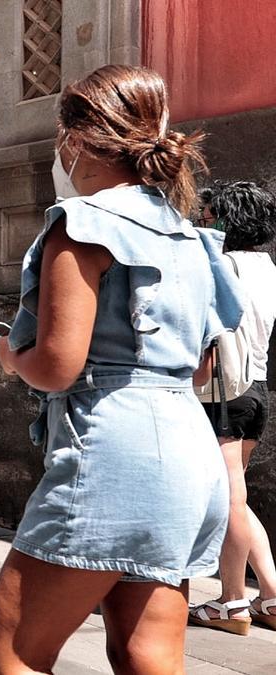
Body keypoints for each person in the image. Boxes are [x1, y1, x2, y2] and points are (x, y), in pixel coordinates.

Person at [0, 65, 245, 673]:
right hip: (189, 450)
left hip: (114, 445)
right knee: (145, 653)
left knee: (10, 649)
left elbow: (57, 365)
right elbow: (201, 369)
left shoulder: (84, 224)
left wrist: (13, 358)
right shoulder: (192, 238)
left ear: (75, 139)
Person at [187, 181, 276, 635]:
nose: (202, 221)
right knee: (235, 498)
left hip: (221, 395)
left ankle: (232, 602)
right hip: (254, 391)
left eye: (207, 215)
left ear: (226, 219)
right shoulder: (267, 266)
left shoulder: (221, 264)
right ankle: (273, 597)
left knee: (230, 501)